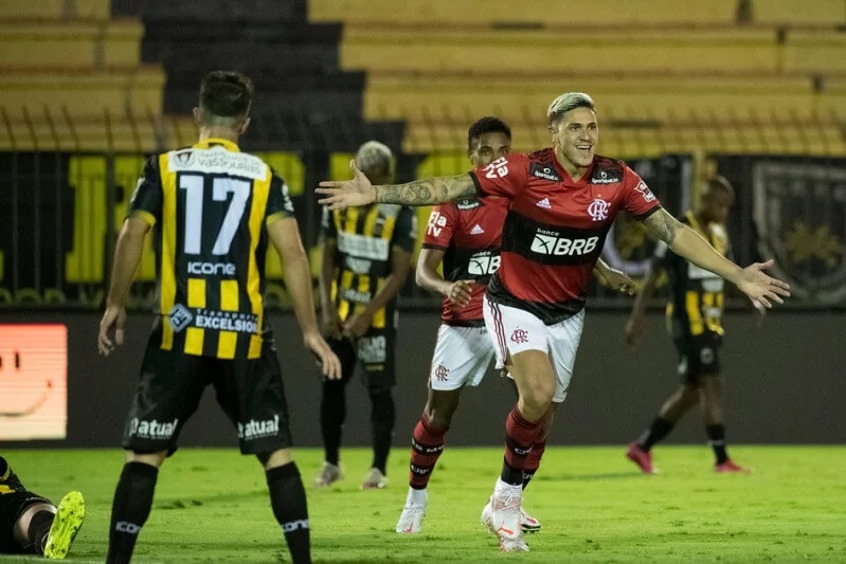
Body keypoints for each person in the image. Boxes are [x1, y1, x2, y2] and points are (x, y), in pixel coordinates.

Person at [316, 92, 790, 553]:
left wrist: (736, 274)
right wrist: (377, 193)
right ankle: (500, 501)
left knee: (542, 416)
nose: (586, 136)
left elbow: (674, 230)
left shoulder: (615, 178)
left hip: (567, 313)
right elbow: (451, 187)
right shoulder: (524, 170)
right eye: (575, 127)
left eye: (592, 126)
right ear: (554, 132)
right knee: (535, 393)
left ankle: (506, 500)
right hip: (512, 302)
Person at [97, 70, 341, 564]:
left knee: (145, 455)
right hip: (243, 336)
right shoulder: (263, 176)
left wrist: (115, 304)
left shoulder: (164, 168)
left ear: (196, 117)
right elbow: (293, 253)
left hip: (177, 333)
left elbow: (131, 235)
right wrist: (311, 332)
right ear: (244, 124)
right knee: (277, 454)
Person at [395, 116, 636, 535]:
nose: (494, 159)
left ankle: (510, 498)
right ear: (471, 156)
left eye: (502, 151)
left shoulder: (523, 192)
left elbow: (562, 237)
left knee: (539, 407)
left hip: (517, 308)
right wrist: (445, 287)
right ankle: (416, 498)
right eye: (485, 152)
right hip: (466, 319)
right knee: (438, 413)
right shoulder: (456, 203)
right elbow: (422, 271)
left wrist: (603, 271)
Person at [625, 175, 753, 473]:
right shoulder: (679, 228)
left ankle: (641, 447)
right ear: (705, 201)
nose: (724, 212)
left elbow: (730, 275)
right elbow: (653, 274)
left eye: (727, 207)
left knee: (693, 392)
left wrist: (750, 297)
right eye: (720, 205)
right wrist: (637, 316)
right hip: (688, 321)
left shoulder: (720, 235)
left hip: (712, 321)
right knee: (712, 383)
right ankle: (722, 459)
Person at [314, 141, 416, 490]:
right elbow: (327, 256)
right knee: (331, 385)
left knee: (380, 391)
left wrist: (365, 316)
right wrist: (327, 307)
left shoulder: (400, 210)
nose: (368, 185)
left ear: (388, 176)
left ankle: (378, 469)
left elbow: (399, 273)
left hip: (377, 321)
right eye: (365, 178)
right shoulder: (337, 203)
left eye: (375, 179)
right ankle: (331, 463)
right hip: (339, 316)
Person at [0, 456, 85, 559]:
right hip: (14, 512)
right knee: (35, 510)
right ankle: (47, 536)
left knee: (30, 511)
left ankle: (48, 537)